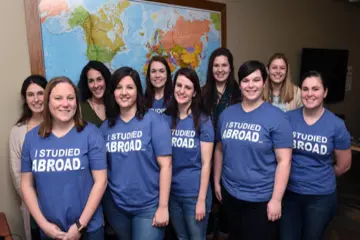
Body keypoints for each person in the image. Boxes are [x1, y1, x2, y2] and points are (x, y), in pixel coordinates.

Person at [213, 60, 293, 240]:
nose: (251, 85)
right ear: (239, 84)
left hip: (261, 199)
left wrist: (276, 200)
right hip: (230, 193)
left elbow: (284, 161)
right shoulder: (227, 115)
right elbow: (219, 149)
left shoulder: (277, 118)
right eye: (246, 80)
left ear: (264, 83)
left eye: (256, 80)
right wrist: (217, 181)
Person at [21, 76, 107, 240]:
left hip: (88, 229)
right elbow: (26, 185)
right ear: (48, 102)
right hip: (50, 230)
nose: (65, 104)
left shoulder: (91, 134)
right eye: (58, 98)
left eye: (70, 98)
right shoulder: (32, 138)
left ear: (76, 101)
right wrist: (44, 225)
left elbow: (101, 181)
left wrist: (80, 225)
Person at [100, 67, 172, 240]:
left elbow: (166, 165)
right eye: (118, 87)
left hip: (148, 206)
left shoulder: (154, 121)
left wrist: (163, 206)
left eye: (130, 87)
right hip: (116, 207)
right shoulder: (105, 128)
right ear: (113, 93)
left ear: (138, 91)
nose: (124, 93)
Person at [280, 71, 352, 240]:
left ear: (324, 92)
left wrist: (319, 176)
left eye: (315, 89)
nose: (310, 94)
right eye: (305, 89)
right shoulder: (288, 119)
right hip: (289, 193)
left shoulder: (336, 125)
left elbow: (344, 165)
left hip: (320, 198)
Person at [164, 68, 214, 240]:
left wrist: (201, 200)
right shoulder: (166, 119)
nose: (182, 91)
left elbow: (207, 163)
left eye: (187, 87)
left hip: (194, 194)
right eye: (179, 85)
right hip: (172, 194)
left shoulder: (204, 121)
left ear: (194, 93)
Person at [201, 47, 241, 237]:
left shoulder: (239, 93)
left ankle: (224, 232)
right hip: (205, 155)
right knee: (207, 200)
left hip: (231, 156)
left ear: (230, 67)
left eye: (224, 65)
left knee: (227, 204)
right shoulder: (202, 93)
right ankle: (209, 231)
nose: (220, 69)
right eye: (216, 65)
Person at [9, 75, 47, 240]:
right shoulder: (17, 132)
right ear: (25, 98)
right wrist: (34, 204)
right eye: (31, 95)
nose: (36, 99)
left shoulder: (62, 124)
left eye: (40, 93)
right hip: (34, 208)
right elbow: (18, 176)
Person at [78, 60, 112, 127]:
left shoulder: (116, 104)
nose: (96, 85)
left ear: (106, 80)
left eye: (99, 79)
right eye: (91, 81)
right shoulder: (81, 108)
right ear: (86, 84)